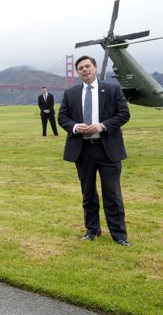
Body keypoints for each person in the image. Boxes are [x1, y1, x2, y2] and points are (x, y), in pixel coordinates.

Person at [58, 55, 131, 247]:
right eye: (80, 68)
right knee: (88, 193)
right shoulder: (70, 93)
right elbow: (62, 117)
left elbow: (124, 114)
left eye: (87, 66)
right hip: (83, 151)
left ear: (95, 68)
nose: (84, 70)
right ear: (78, 72)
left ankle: (119, 235)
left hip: (108, 150)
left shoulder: (113, 89)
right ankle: (92, 230)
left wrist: (103, 126)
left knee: (112, 193)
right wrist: (75, 127)